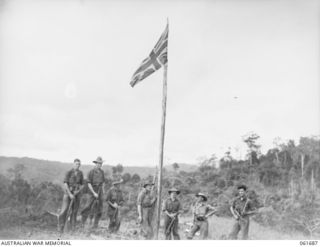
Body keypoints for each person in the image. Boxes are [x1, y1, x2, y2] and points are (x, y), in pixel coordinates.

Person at [57, 158, 84, 232]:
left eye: (79, 164)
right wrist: (70, 194)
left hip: (76, 195)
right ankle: (60, 227)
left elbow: (82, 185)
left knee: (74, 211)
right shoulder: (69, 172)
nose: (77, 165)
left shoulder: (80, 173)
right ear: (73, 164)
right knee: (64, 210)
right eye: (76, 164)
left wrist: (78, 191)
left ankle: (72, 228)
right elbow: (65, 184)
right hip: (68, 193)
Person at [81, 156, 105, 229]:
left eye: (101, 163)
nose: (100, 165)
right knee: (88, 206)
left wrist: (103, 191)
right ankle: (82, 223)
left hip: (100, 190)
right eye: (98, 163)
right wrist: (94, 193)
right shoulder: (91, 172)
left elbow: (103, 182)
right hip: (92, 190)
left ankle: (95, 225)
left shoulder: (102, 172)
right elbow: (88, 183)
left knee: (99, 207)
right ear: (96, 163)